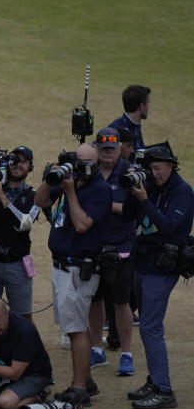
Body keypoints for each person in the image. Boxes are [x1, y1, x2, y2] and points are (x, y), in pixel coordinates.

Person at [33, 144, 111, 406]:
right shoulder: (71, 178)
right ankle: (86, 379)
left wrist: (70, 192)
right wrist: (51, 177)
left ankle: (79, 389)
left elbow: (81, 224)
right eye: (77, 162)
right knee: (74, 326)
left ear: (97, 163)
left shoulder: (100, 190)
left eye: (85, 163)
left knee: (76, 330)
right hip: (61, 266)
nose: (80, 168)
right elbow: (40, 201)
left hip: (79, 269)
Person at [123, 144, 194, 409]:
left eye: (157, 168)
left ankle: (164, 391)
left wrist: (144, 199)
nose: (153, 173)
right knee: (149, 329)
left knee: (151, 328)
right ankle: (155, 381)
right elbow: (129, 216)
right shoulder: (151, 185)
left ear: (171, 165)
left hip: (162, 268)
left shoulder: (183, 192)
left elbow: (167, 227)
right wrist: (133, 191)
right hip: (143, 263)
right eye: (149, 168)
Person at [86, 129, 135, 376]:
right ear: (96, 149)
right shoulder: (89, 172)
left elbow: (134, 209)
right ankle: (96, 349)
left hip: (121, 248)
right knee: (94, 301)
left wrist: (106, 205)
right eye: (103, 149)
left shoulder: (129, 173)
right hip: (93, 247)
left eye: (112, 148)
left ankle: (126, 354)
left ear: (119, 148)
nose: (107, 153)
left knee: (121, 303)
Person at [0, 145, 39, 319]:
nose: (18, 165)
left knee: (23, 316)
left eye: (24, 162)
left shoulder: (34, 195)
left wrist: (1, 195)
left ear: (30, 167)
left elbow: (24, 224)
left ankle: (25, 347)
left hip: (17, 263)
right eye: (15, 160)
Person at [107, 85, 150, 154]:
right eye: (148, 103)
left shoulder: (136, 124)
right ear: (141, 106)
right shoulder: (114, 130)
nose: (149, 107)